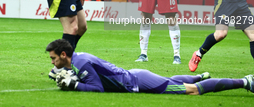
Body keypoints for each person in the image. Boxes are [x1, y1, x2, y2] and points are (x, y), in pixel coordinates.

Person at [46, 39, 254, 94]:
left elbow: (97, 88)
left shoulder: (80, 63)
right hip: (135, 76)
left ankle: (244, 81)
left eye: (54, 59)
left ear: (64, 55)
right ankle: (200, 76)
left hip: (138, 82)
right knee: (172, 82)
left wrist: (74, 86)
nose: (54, 63)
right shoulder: (79, 59)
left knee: (192, 92)